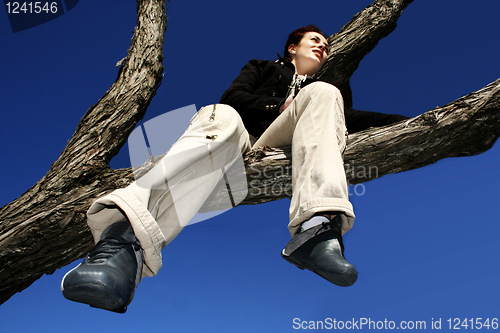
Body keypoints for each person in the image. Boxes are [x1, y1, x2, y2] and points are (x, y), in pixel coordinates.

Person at [61, 25, 408, 313]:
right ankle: (122, 245)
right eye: (315, 41)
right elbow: (234, 98)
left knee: (325, 92)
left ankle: (317, 230)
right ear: (292, 48)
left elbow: (350, 120)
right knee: (220, 114)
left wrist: (410, 121)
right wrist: (277, 103)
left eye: (327, 46)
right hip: (240, 137)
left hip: (286, 139)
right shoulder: (262, 67)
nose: (323, 48)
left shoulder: (328, 88)